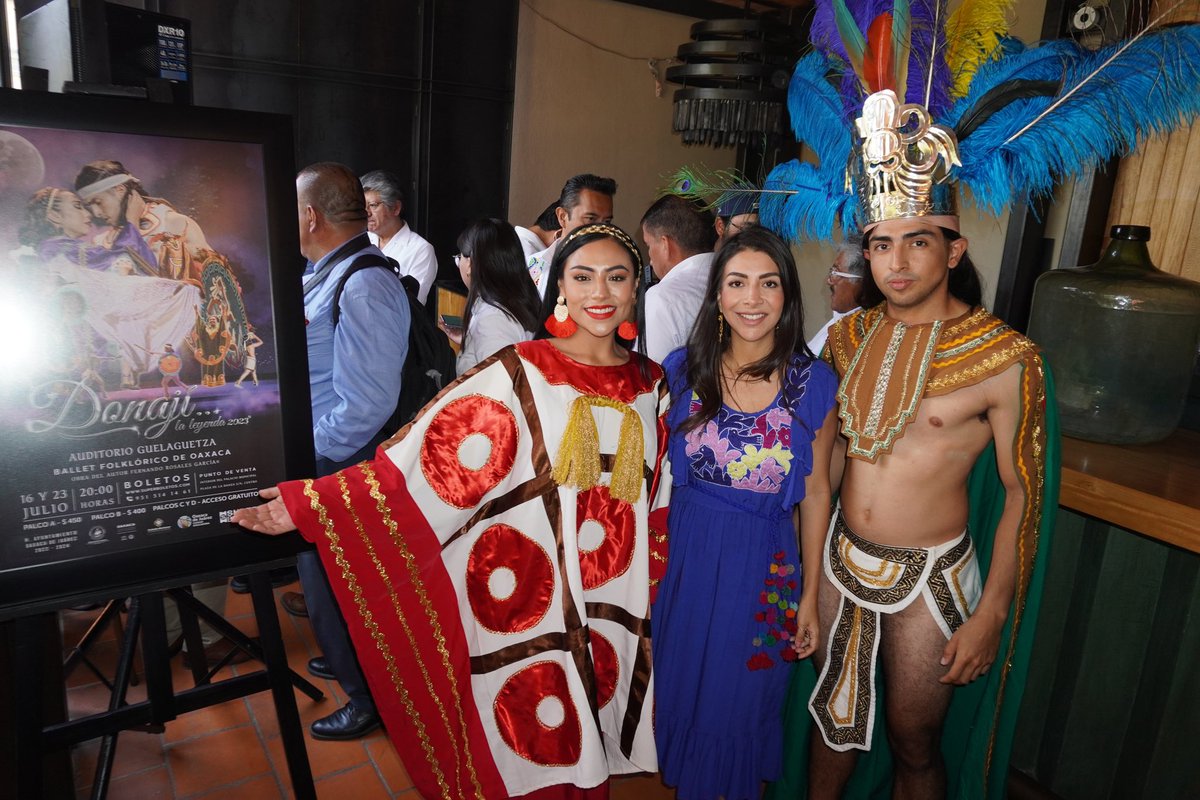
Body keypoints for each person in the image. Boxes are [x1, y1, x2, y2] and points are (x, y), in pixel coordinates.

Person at [234, 222, 669, 800]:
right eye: (583, 275)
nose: (601, 292)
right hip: (540, 588)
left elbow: (659, 498)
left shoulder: (652, 382)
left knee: (596, 705)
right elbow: (423, 457)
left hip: (614, 592)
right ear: (559, 285)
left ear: (636, 287)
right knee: (545, 723)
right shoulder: (521, 368)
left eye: (617, 277)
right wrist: (312, 505)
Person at [653, 227, 839, 800]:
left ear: (787, 296)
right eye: (737, 283)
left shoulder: (814, 382)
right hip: (685, 561)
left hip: (764, 567)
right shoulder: (681, 371)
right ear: (717, 294)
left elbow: (815, 496)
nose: (751, 300)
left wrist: (809, 596)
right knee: (681, 690)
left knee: (741, 700)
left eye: (768, 284)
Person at [290, 161, 411, 740]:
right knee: (329, 587)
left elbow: (366, 404)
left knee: (345, 588)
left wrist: (310, 457)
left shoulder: (364, 282)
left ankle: (370, 699)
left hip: (340, 459)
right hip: (325, 455)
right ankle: (347, 663)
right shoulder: (325, 271)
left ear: (310, 214)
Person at [74, 160, 212, 281]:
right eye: (89, 206)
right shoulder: (100, 242)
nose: (96, 213)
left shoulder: (175, 224)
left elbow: (215, 280)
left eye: (98, 202)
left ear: (120, 190)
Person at [446, 218, 542, 374]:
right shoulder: (514, 300)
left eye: (459, 258)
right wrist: (471, 340)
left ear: (470, 264)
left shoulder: (493, 319)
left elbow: (498, 385)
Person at [639, 195, 717, 363]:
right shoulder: (732, 279)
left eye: (648, 245)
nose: (650, 259)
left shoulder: (661, 297)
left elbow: (653, 374)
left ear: (665, 244)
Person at [360, 169, 438, 305]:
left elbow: (411, 305)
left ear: (396, 208)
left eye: (373, 205)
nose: (366, 213)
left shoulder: (421, 250)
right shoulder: (362, 239)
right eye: (363, 206)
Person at [529, 173, 616, 294]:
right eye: (590, 219)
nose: (600, 229)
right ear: (562, 217)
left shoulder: (616, 271)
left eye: (607, 222)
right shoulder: (532, 268)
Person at [805, 238, 866, 356]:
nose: (829, 281)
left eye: (835, 273)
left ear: (860, 282)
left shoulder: (861, 333)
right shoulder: (838, 322)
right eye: (831, 272)